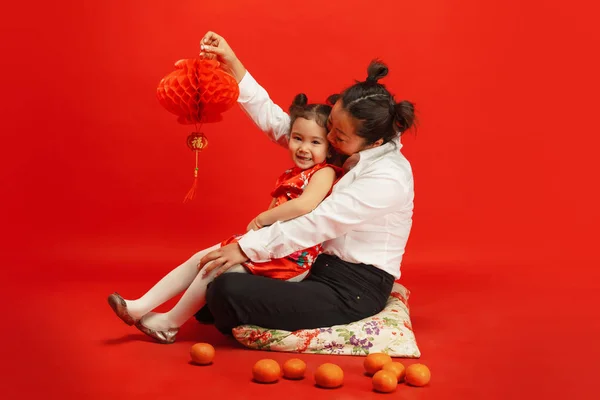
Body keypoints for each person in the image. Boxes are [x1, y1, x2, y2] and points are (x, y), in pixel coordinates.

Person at [196, 31, 416, 334]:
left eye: (338, 136)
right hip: (310, 265)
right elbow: (280, 124)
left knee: (226, 289)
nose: (329, 139)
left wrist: (248, 247)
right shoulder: (349, 143)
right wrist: (231, 62)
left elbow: (318, 222)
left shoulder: (388, 178)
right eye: (331, 127)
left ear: (374, 141)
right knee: (219, 281)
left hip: (352, 286)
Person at [108, 93, 343, 344]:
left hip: (292, 257)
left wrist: (264, 218)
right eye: (298, 138)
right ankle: (139, 307)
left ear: (330, 146)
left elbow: (305, 205)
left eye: (315, 142)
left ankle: (170, 323)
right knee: (200, 258)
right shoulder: (292, 174)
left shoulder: (325, 172)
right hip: (268, 245)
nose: (304, 148)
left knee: (216, 266)